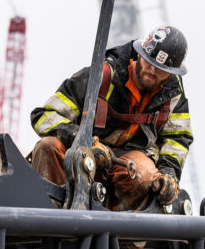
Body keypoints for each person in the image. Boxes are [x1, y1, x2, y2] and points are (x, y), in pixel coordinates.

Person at [30, 27, 193, 211]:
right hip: (81, 154)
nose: (152, 70)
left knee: (144, 174)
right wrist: (84, 141)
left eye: (160, 68)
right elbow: (43, 116)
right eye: (148, 61)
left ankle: (126, 233)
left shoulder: (173, 95)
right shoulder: (103, 75)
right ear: (140, 54)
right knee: (48, 147)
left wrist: (168, 174)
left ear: (171, 73)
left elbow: (177, 139)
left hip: (129, 161)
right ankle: (53, 219)